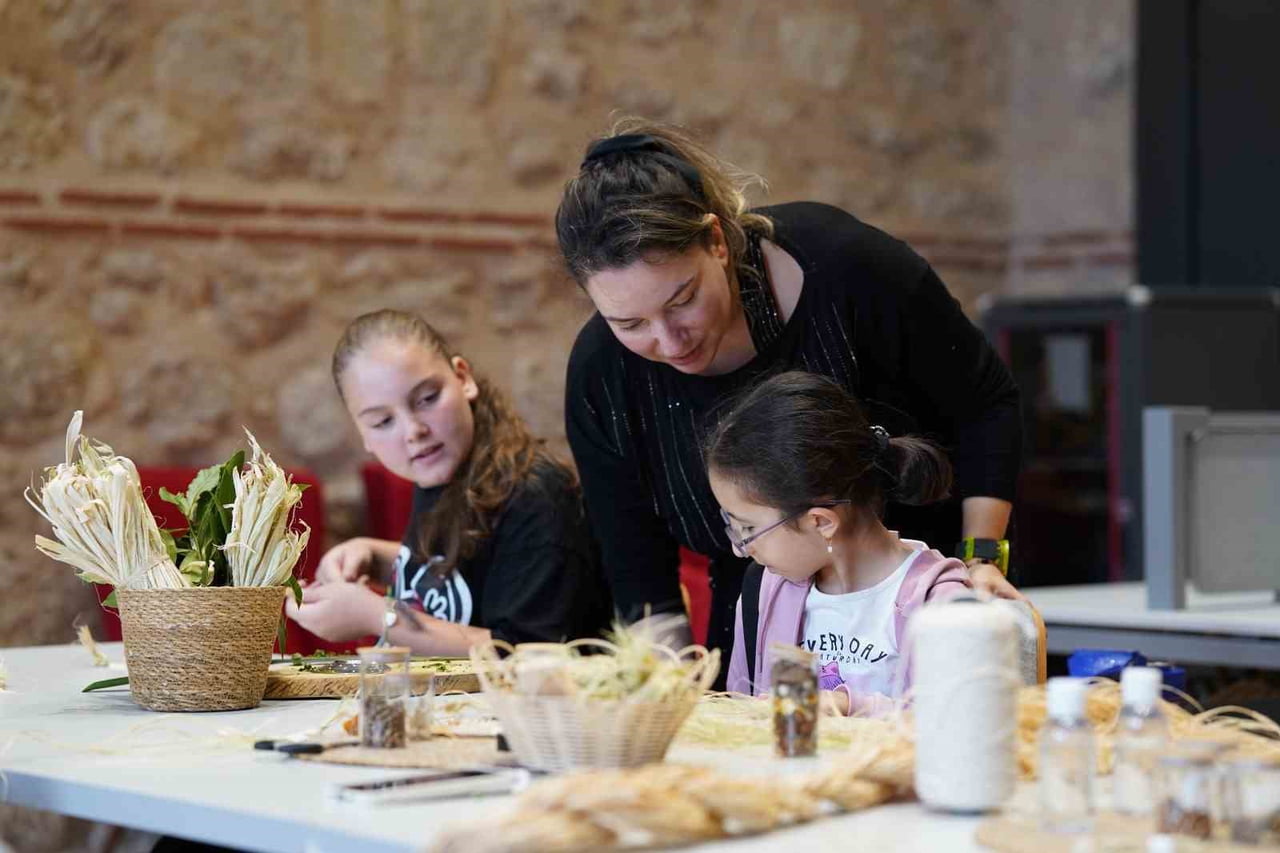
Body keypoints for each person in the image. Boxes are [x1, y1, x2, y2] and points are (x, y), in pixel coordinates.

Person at [558, 119, 1023, 666]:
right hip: (761, 636)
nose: (667, 341)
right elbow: (643, 582)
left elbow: (986, 402)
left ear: (716, 241)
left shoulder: (849, 269)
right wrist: (670, 705)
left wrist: (981, 559)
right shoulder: (601, 377)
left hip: (925, 614)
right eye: (629, 323)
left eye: (682, 300)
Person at [285, 309, 607, 653]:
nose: (414, 431)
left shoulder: (536, 494)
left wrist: (379, 616)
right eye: (382, 421)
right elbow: (478, 567)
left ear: (463, 378)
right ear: (362, 434)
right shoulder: (446, 475)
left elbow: (523, 651)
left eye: (427, 399)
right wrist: (378, 556)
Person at [709, 371, 971, 715]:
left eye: (748, 529)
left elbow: (961, 727)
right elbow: (741, 723)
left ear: (821, 522)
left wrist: (847, 706)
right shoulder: (763, 592)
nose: (740, 548)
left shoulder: (942, 605)